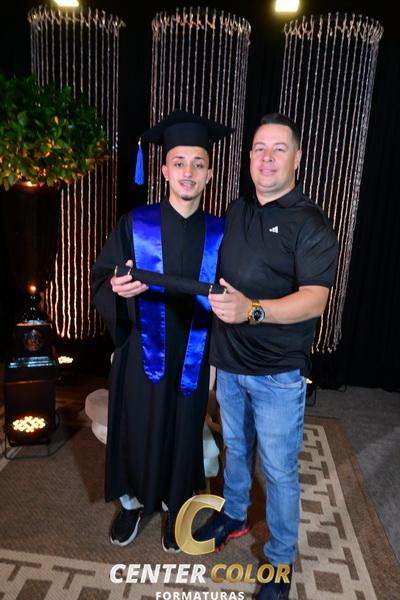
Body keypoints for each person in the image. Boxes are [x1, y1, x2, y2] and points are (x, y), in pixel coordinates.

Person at [195, 113, 338, 599]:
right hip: (230, 363)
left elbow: (315, 300)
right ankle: (235, 514)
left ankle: (279, 562)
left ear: (297, 158)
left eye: (279, 149)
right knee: (236, 449)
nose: (267, 158)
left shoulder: (310, 223)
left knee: (278, 471)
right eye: (259, 148)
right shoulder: (237, 210)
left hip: (277, 373)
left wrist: (252, 310)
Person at [91, 110, 233, 553]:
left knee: (183, 431)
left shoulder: (222, 233)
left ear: (209, 173)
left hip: (193, 351)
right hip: (141, 351)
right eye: (179, 162)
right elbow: (101, 279)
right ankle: (132, 505)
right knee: (136, 427)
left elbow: (236, 291)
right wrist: (116, 289)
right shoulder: (137, 224)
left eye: (198, 164)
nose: (188, 172)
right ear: (164, 170)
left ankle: (176, 507)